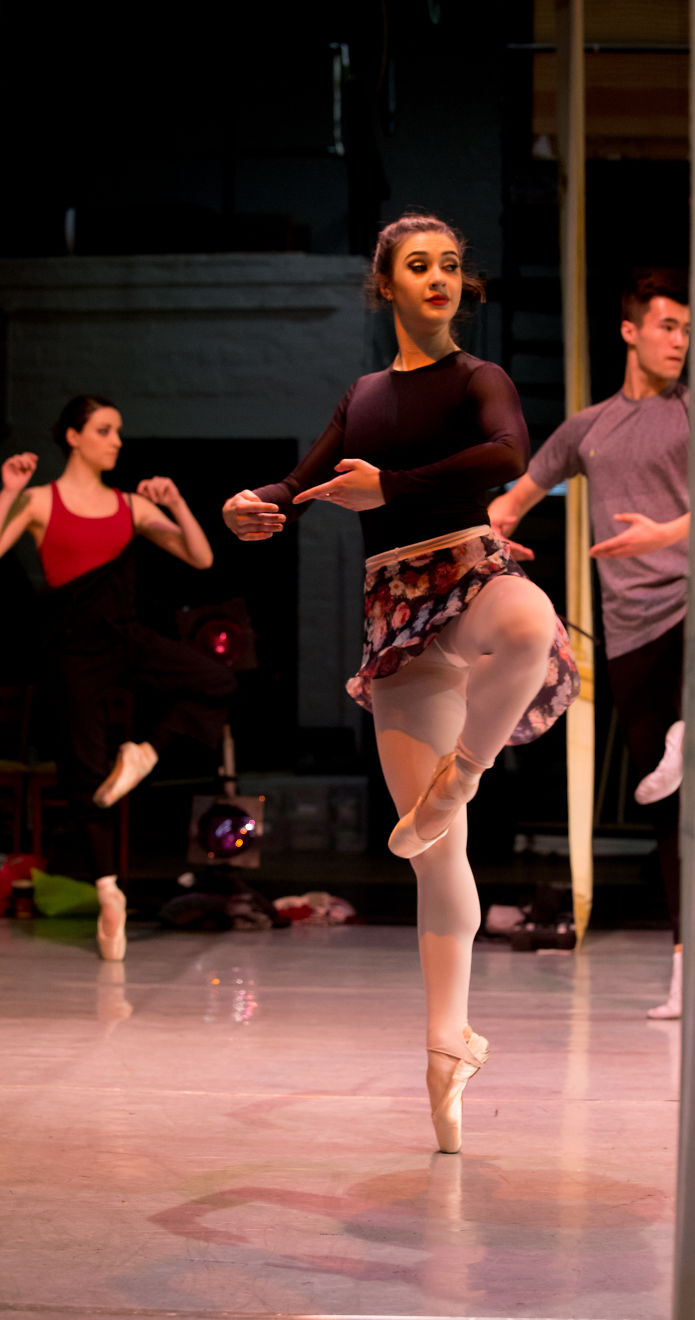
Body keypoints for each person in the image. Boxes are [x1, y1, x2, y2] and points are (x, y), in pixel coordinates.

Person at [222, 212, 579, 1153]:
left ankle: (465, 769)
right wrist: (252, 506)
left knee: (532, 622)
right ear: (385, 284)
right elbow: (298, 486)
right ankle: (445, 1042)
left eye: (452, 265)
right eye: (418, 266)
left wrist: (392, 487)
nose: (438, 279)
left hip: (468, 575)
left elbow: (506, 455)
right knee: (434, 857)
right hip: (396, 616)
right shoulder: (366, 394)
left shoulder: (481, 379)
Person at [488, 271, 690, 1019]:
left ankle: (693, 729)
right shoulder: (590, 429)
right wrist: (477, 542)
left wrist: (666, 534)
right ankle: (683, 968)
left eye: (687, 330)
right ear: (631, 331)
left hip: (694, 604)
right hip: (630, 626)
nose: (680, 341)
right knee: (666, 807)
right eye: (668, 326)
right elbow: (510, 504)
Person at [0, 395, 235, 960]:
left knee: (217, 680)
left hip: (126, 637)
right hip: (72, 651)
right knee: (84, 776)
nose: (117, 441)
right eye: (105, 431)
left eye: (118, 431)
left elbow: (200, 558)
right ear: (74, 437)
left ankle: (145, 753)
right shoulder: (38, 501)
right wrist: (7, 491)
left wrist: (176, 501)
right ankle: (109, 893)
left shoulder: (129, 506)